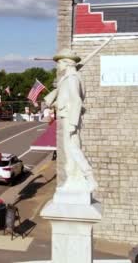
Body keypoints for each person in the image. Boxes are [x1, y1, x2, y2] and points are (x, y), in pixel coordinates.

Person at [50, 48, 98, 191]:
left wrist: (72, 123)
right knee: (69, 151)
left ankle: (89, 177)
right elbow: (68, 99)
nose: (57, 66)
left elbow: (76, 101)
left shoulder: (72, 78)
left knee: (73, 149)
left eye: (59, 63)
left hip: (70, 119)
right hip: (68, 116)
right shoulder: (70, 77)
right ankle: (72, 179)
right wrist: (57, 102)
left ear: (66, 62)